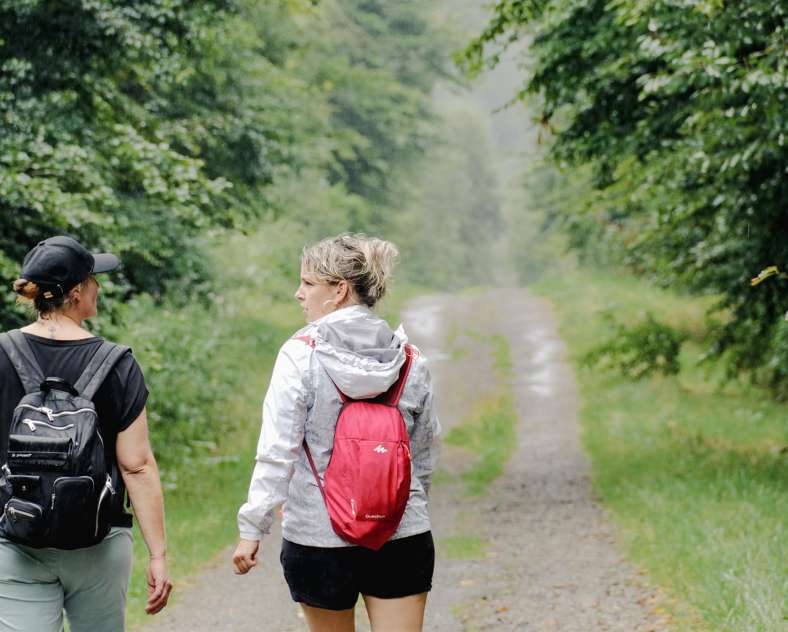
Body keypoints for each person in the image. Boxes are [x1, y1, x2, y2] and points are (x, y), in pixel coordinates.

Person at [233, 234, 440, 632]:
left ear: (339, 290)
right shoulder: (412, 359)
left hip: (318, 538)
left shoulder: (300, 354)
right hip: (401, 535)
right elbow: (424, 451)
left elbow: (278, 449)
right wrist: (405, 506)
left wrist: (252, 528)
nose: (298, 294)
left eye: (309, 283)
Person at [0, 236, 172, 631]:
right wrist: (158, 554)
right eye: (94, 278)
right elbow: (137, 465)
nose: (99, 286)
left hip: (16, 535)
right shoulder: (117, 363)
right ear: (77, 292)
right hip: (98, 539)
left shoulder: (1, 352)